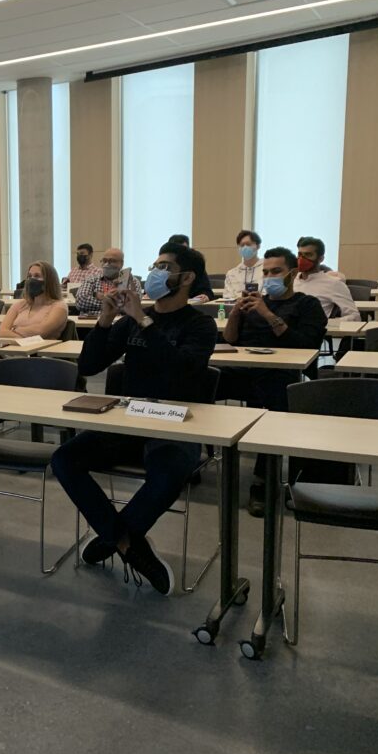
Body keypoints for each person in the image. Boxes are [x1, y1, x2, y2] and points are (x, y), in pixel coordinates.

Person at [50, 243, 217, 595]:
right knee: (65, 458)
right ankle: (127, 544)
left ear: (185, 278)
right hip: (130, 420)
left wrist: (143, 319)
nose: (156, 272)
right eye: (154, 264)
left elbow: (184, 372)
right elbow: (89, 366)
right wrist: (106, 320)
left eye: (165, 266)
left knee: (170, 473)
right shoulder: (128, 324)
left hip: (176, 422)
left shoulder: (200, 326)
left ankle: (111, 539)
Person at [219, 247, 327, 515]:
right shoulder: (252, 303)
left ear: (292, 274)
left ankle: (263, 481)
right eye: (266, 272)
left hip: (279, 375)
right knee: (197, 381)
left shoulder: (306, 305)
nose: (269, 277)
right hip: (242, 371)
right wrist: (235, 313)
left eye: (276, 271)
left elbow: (306, 346)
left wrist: (267, 313)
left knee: (274, 399)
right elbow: (231, 340)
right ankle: (183, 459)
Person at [292, 237, 360, 321]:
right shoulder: (290, 280)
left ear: (321, 258)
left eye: (308, 255)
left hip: (313, 331)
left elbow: (354, 316)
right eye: (300, 255)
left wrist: (327, 324)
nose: (302, 259)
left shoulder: (333, 284)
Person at [0, 261, 68, 339]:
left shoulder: (59, 306)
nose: (31, 280)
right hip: (16, 349)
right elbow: (1, 332)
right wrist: (25, 337)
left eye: (37, 276)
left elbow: (41, 331)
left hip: (43, 350)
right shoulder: (19, 304)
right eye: (29, 276)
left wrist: (13, 330)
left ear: (49, 281)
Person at [73, 247, 141, 316]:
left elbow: (133, 306)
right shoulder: (91, 279)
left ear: (121, 263)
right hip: (91, 323)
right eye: (104, 261)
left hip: (120, 323)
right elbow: (80, 302)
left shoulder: (132, 282)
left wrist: (101, 298)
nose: (107, 264)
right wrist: (112, 303)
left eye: (112, 261)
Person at [167, 235, 214, 302]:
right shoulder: (163, 267)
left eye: (184, 250)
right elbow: (149, 290)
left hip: (192, 306)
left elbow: (207, 291)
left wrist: (205, 296)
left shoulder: (196, 266)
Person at [222, 230, 263, 301]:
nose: (245, 247)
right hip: (237, 309)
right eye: (242, 245)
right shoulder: (232, 274)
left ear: (258, 246)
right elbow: (227, 298)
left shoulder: (267, 270)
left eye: (248, 244)